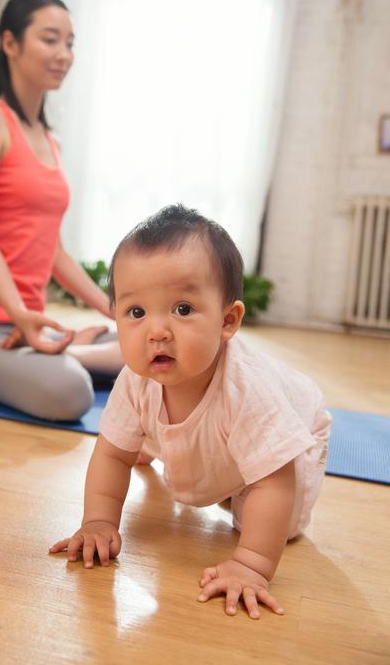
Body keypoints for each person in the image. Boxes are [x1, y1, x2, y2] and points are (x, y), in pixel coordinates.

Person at [49, 204, 331, 619]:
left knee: (270, 518)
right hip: (217, 433)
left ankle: (228, 476)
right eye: (136, 312)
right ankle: (161, 441)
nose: (157, 331)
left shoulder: (249, 391)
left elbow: (276, 482)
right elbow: (111, 454)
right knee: (143, 441)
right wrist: (99, 522)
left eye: (182, 309)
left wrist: (251, 563)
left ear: (228, 321)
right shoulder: (136, 378)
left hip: (293, 436)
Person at [0, 0, 122, 421]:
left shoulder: (51, 141)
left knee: (147, 350)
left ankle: (71, 347)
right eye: (50, 39)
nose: (63, 54)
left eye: (70, 43)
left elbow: (52, 251)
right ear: (11, 44)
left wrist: (114, 310)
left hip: (29, 330)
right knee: (70, 391)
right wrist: (19, 314)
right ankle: (71, 351)